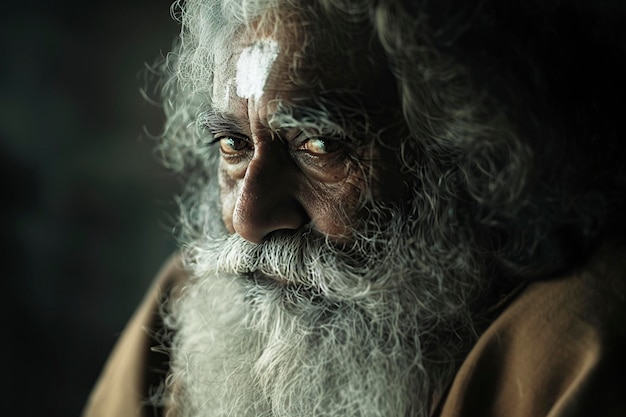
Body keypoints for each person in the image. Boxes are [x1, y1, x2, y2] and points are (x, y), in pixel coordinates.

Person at [83, 0, 626, 416]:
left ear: (477, 157)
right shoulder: (187, 301)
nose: (247, 220)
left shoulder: (573, 349)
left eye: (318, 145)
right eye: (233, 145)